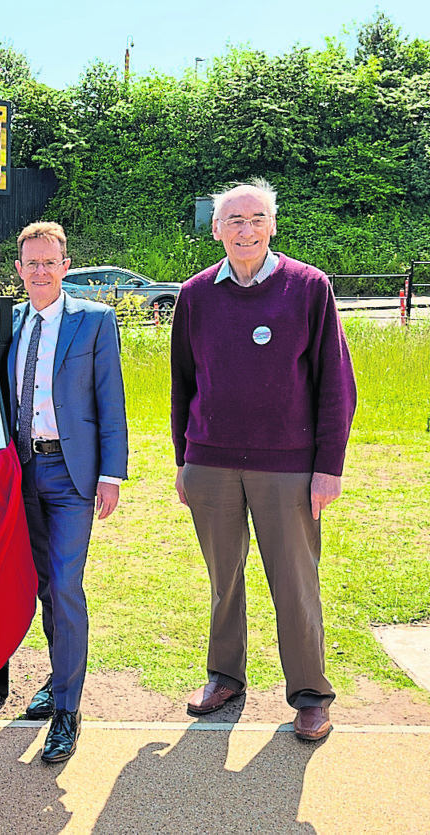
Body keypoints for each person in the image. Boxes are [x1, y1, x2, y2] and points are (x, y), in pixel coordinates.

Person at [171, 178, 357, 741]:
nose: (245, 230)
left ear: (272, 225)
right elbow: (182, 383)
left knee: (295, 583)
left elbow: (336, 387)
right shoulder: (196, 294)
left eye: (255, 219)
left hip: (289, 467)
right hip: (211, 462)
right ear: (216, 230)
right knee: (224, 579)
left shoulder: (308, 286)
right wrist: (185, 457)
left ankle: (309, 693)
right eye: (234, 221)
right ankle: (225, 676)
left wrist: (328, 467)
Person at [8, 221, 129, 763]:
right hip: (24, 470)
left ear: (65, 265)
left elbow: (112, 400)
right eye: (30, 262)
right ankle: (60, 679)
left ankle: (68, 709)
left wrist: (111, 474)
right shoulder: (12, 321)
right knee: (40, 585)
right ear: (19, 268)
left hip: (74, 474)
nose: (39, 271)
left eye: (49, 262)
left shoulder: (95, 322)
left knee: (65, 584)